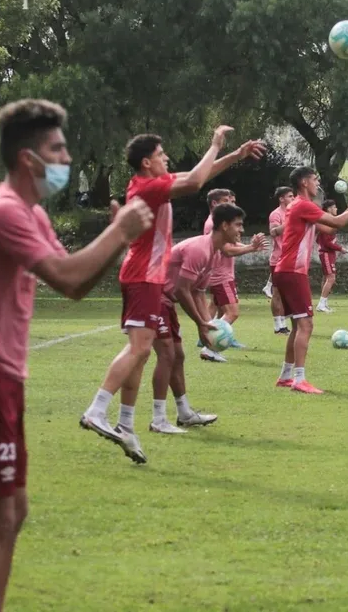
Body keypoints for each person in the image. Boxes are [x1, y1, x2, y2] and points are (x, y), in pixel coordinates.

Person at [0, 99, 154, 612]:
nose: (66, 157)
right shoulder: (2, 211)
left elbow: (73, 277)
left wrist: (117, 237)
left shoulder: (31, 212)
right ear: (28, 158)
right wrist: (120, 231)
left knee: (13, 512)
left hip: (2, 379)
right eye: (57, 148)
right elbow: (70, 277)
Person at [80, 125, 264, 464]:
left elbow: (200, 174)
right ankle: (97, 409)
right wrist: (215, 143)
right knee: (138, 349)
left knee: (142, 353)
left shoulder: (153, 184)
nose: (167, 159)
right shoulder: (149, 187)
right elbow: (195, 183)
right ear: (148, 162)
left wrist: (235, 156)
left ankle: (125, 425)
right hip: (145, 278)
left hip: (144, 277)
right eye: (162, 155)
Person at [150, 203, 259, 433]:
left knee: (177, 356)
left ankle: (184, 413)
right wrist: (200, 322)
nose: (241, 230)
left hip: (166, 302)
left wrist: (206, 324)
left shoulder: (213, 253)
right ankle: (158, 419)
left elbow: (198, 292)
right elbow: (182, 289)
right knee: (167, 356)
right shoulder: (200, 249)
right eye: (238, 225)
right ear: (224, 225)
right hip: (153, 297)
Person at [272, 167, 348, 394]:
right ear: (303, 182)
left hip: (287, 270)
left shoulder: (298, 207)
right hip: (292, 271)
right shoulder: (302, 204)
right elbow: (338, 222)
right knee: (306, 324)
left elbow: (329, 226)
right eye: (315, 178)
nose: (318, 183)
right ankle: (299, 380)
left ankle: (285, 376)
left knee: (297, 326)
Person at [200, 189, 265, 359]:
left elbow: (232, 243)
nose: (230, 204)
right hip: (220, 275)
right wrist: (252, 248)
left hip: (221, 273)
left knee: (218, 308)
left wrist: (250, 246)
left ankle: (211, 338)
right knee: (232, 313)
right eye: (226, 201)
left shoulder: (220, 221)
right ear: (214, 203)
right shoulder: (212, 224)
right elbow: (227, 250)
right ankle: (209, 347)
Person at [266, 187, 295, 334]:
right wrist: (290, 222)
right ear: (281, 199)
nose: (293, 198)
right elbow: (273, 231)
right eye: (290, 196)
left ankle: (289, 323)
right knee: (277, 293)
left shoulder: (293, 212)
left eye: (293, 196)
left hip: (292, 259)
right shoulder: (275, 214)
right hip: (278, 259)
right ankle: (279, 325)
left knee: (289, 293)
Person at [316, 199, 345, 314]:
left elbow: (320, 239)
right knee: (331, 278)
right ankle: (321, 304)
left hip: (328, 253)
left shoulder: (329, 221)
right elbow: (326, 242)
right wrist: (340, 248)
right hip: (326, 253)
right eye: (334, 207)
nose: (336, 209)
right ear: (328, 209)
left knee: (326, 278)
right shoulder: (326, 222)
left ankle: (324, 303)